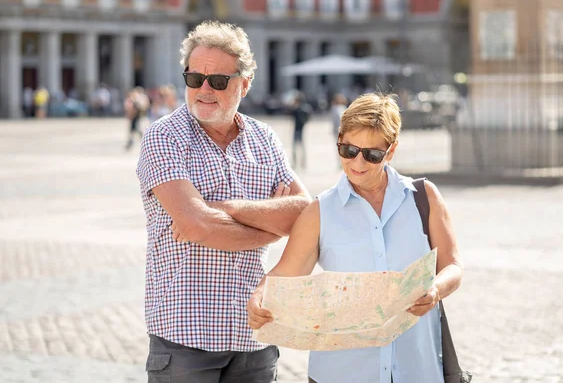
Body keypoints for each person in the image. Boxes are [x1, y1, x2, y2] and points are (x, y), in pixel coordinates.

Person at [136, 20, 311, 383]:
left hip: (255, 334)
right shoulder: (163, 137)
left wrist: (227, 209)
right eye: (194, 78)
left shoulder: (265, 139)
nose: (204, 89)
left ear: (244, 84)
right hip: (185, 336)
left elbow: (305, 215)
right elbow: (197, 225)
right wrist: (271, 226)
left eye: (218, 81)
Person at [247, 92, 464, 383]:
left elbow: (452, 266)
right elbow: (285, 273)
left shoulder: (424, 198)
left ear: (392, 151)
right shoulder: (319, 211)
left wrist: (435, 290)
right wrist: (261, 295)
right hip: (340, 373)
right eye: (348, 150)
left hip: (417, 370)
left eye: (372, 155)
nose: (357, 163)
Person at [290, 91, 312, 169]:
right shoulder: (306, 108)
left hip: (297, 130)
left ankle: (296, 162)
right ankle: (303, 163)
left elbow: (290, 114)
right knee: (302, 148)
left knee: (296, 148)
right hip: (302, 130)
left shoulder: (297, 109)